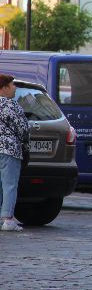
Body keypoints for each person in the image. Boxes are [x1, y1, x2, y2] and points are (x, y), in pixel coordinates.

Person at [0, 74, 28, 232]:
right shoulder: (12, 106)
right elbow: (23, 128)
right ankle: (8, 219)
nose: (15, 88)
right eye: (12, 85)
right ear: (3, 88)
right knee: (9, 184)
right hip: (9, 150)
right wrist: (26, 143)